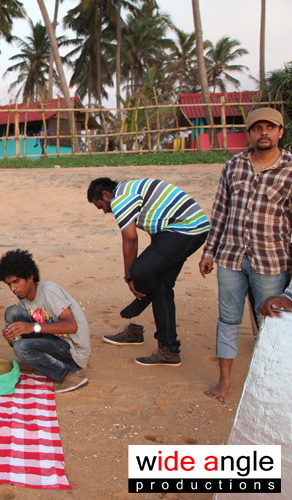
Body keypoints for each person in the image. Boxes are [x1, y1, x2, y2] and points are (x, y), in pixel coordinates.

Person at [198, 107, 292, 403]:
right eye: (257, 128)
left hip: (271, 260)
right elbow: (220, 212)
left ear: (280, 132)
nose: (263, 133)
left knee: (270, 322)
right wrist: (209, 251)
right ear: (249, 133)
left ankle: (268, 383)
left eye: (270, 127)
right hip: (230, 257)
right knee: (228, 320)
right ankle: (224, 381)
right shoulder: (233, 166)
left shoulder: (290, 169)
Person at [87, 177, 209, 366]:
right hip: (185, 230)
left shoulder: (120, 198)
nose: (104, 211)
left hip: (187, 229)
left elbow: (130, 239)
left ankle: (142, 301)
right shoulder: (132, 192)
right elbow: (157, 233)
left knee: (139, 271)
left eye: (101, 206)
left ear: (106, 194)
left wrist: (129, 278)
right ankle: (168, 350)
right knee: (161, 289)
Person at [0, 249, 91, 393]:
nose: (13, 289)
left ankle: (68, 373)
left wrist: (33, 327)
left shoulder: (48, 290)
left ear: (30, 277)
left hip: (72, 349)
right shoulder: (24, 302)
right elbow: (18, 341)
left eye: (16, 282)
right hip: (51, 341)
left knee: (22, 347)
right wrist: (11, 338)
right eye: (9, 284)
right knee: (12, 312)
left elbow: (72, 326)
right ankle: (35, 362)